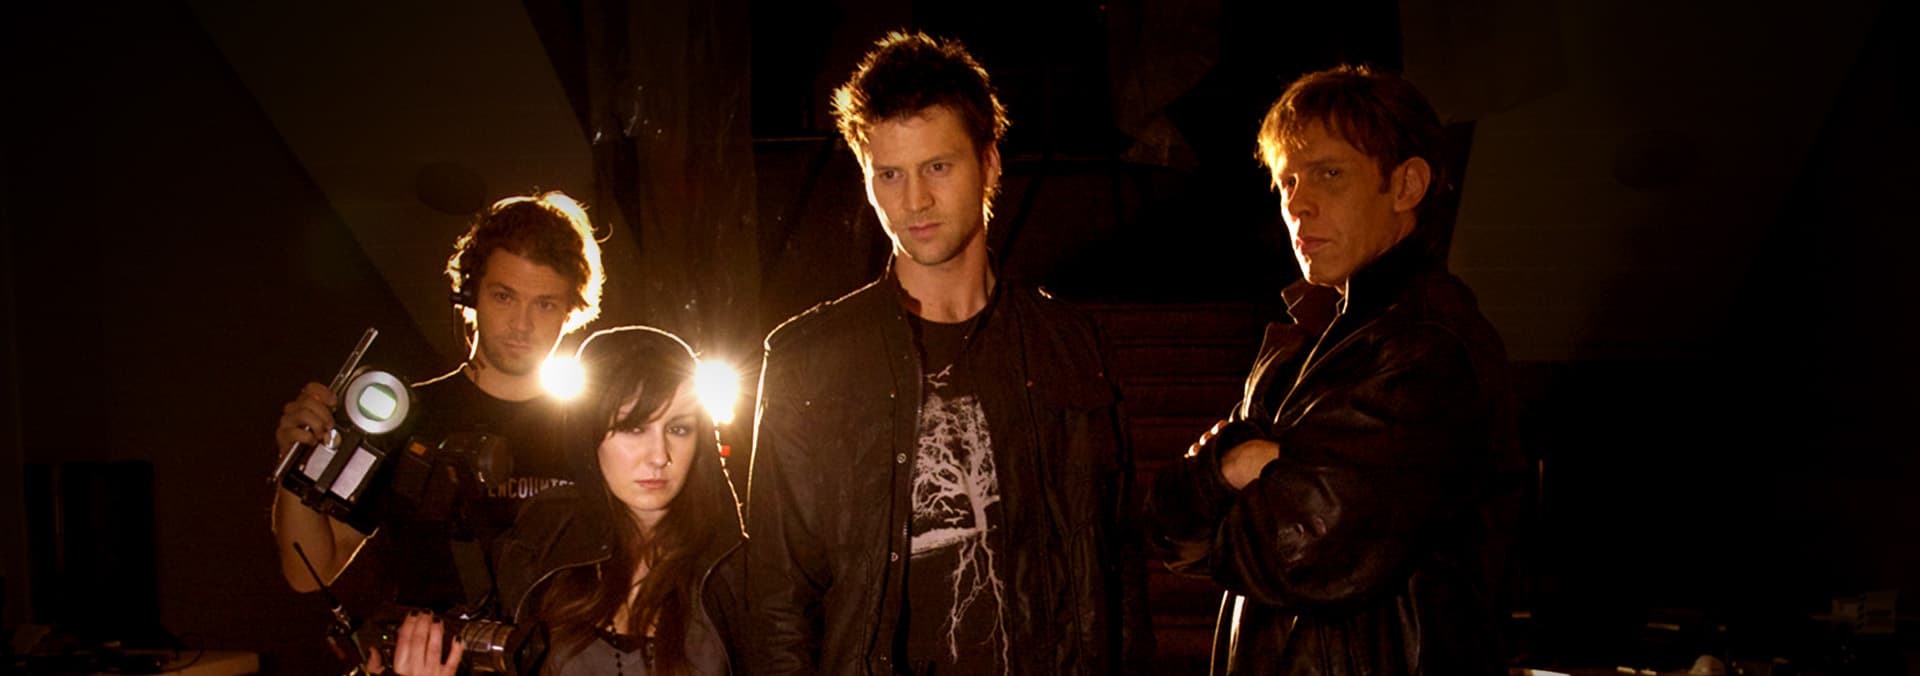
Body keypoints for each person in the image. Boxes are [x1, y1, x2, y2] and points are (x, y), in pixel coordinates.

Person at [743, 31, 1151, 675]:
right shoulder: (807, 359)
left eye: (937, 166)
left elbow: (1117, 568)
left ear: (989, 164)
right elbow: (776, 597)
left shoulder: (1070, 344)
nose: (915, 201)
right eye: (890, 174)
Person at [1144, 65, 1523, 674]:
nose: (1297, 202)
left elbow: (1296, 556)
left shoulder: (1427, 345)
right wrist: (1239, 464)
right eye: (1287, 180)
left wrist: (1237, 474)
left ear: (1407, 185)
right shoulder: (1310, 339)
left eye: (1329, 173)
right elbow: (1168, 528)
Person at [272, 190, 606, 613]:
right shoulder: (406, 417)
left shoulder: (597, 430)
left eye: (544, 304)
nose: (522, 324)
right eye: (504, 296)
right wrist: (296, 463)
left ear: (570, 311)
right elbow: (307, 572)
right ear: (469, 294)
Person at [377, 325, 747, 676]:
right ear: (589, 434)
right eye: (633, 427)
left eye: (679, 429)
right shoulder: (538, 545)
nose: (659, 455)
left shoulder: (734, 567)